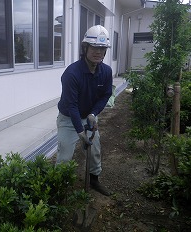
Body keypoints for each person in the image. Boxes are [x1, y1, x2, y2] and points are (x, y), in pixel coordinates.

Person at [56, 25, 113, 196]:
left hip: (88, 117)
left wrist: (93, 114)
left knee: (95, 149)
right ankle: (59, 186)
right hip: (68, 119)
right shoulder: (72, 73)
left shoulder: (106, 71)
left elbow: (106, 95)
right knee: (65, 156)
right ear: (85, 48)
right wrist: (80, 131)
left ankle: (94, 180)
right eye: (94, 47)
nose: (98, 52)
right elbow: (71, 105)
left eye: (102, 49)